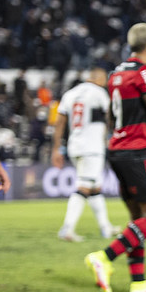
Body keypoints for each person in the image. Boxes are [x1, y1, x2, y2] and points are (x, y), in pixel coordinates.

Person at [84, 23, 146, 292]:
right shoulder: (145, 72)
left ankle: (138, 283)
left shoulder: (117, 73)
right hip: (139, 151)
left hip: (118, 149)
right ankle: (103, 257)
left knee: (138, 220)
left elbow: (117, 115)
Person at [51, 67, 118, 242]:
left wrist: (56, 148)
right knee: (84, 187)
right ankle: (67, 229)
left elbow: (59, 123)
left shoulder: (70, 94)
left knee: (95, 187)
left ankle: (105, 227)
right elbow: (110, 116)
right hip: (92, 147)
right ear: (100, 79)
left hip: (75, 146)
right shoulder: (99, 93)